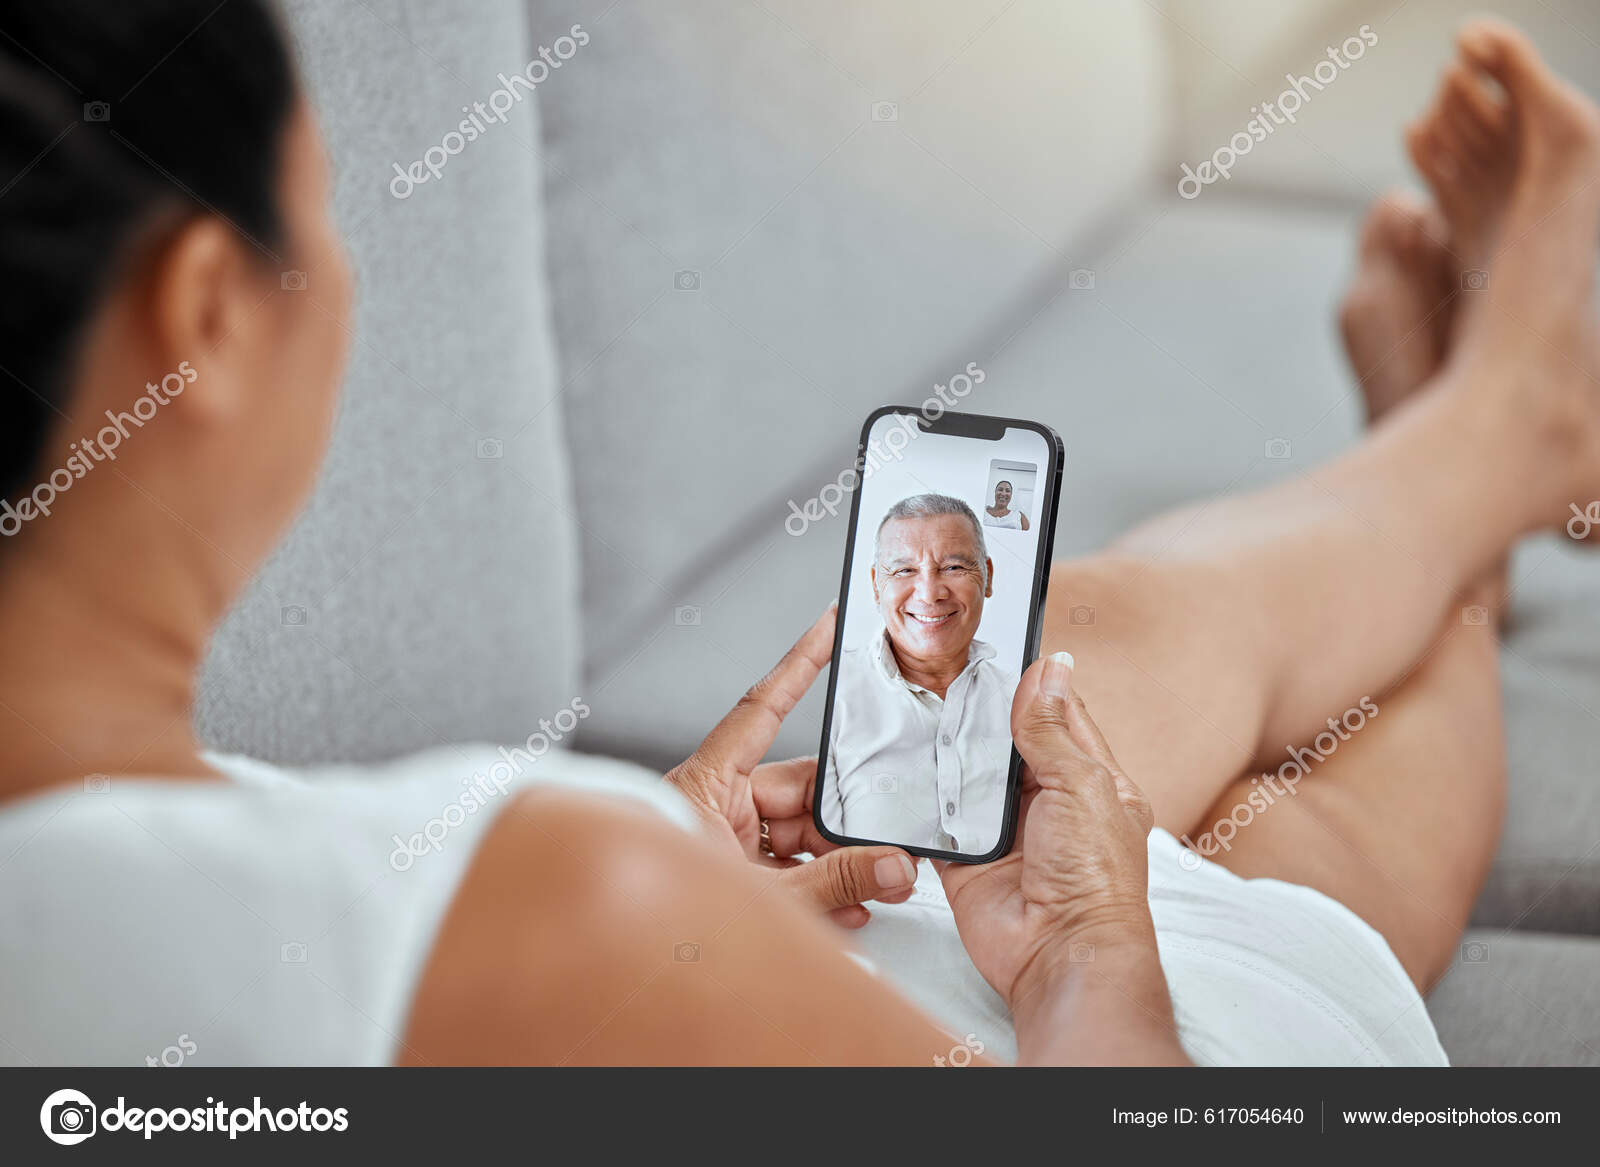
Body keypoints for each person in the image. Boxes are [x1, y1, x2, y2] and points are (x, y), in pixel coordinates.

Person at [0, 5, 1594, 1065]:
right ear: (204, 309)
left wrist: (666, 913)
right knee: (1153, 797)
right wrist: (1092, 971)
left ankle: (1472, 454)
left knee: (1046, 729)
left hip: (778, 997)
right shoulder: (542, 901)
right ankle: (1501, 431)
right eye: (327, 212)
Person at [820, 494, 1018, 854]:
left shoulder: (1023, 700)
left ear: (987, 578)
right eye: (904, 570)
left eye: (954, 568)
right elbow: (820, 859)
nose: (929, 594)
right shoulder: (830, 691)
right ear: (875, 585)